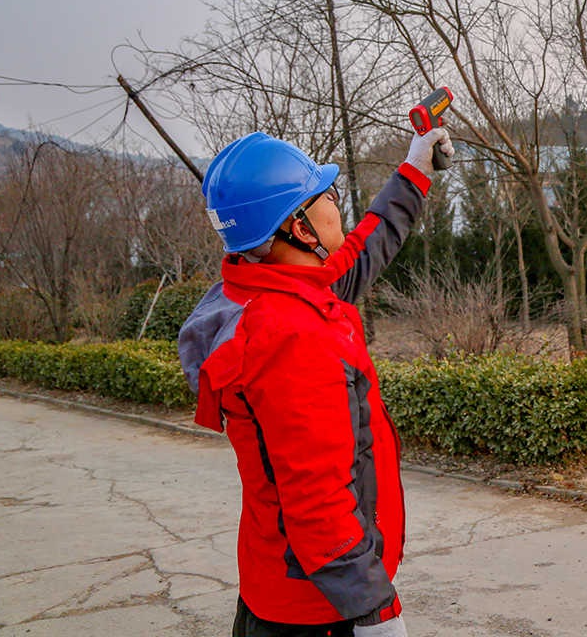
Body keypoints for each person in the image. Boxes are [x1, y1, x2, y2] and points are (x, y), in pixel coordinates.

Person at [179, 125, 452, 637]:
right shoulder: (292, 336)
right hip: (318, 611)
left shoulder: (266, 293)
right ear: (299, 230)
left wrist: (415, 170)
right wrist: (374, 613)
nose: (335, 205)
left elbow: (360, 255)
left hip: (278, 587)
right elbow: (318, 498)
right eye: (323, 196)